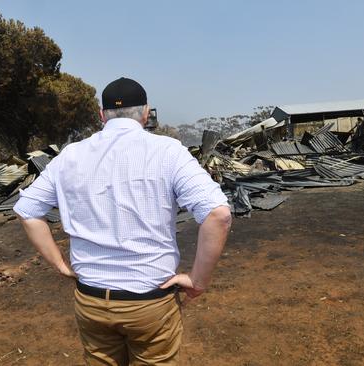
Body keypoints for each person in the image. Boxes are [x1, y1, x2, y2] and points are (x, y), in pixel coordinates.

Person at [14, 77, 232, 365]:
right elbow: (218, 214)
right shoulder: (168, 151)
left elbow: (27, 209)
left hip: (91, 301)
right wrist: (197, 281)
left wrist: (60, 265)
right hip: (150, 302)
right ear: (146, 112)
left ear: (102, 115)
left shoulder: (71, 156)